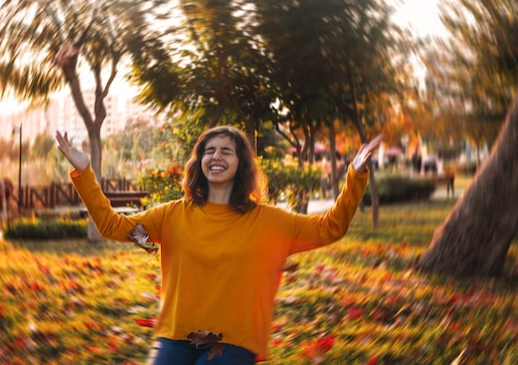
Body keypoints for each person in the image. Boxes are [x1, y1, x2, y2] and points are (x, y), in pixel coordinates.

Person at [55, 126, 382, 365]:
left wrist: (355, 174)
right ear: (199, 163)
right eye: (209, 150)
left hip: (234, 343)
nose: (216, 156)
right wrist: (84, 171)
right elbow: (114, 226)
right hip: (175, 337)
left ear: (241, 163)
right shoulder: (172, 215)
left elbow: (330, 228)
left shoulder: (268, 221)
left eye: (226, 151)